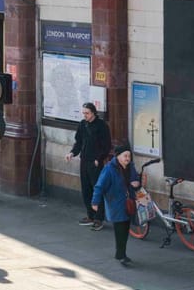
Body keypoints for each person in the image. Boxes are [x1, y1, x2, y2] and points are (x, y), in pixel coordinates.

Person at [91, 144, 141, 267]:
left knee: (125, 228)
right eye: (125, 156)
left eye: (129, 156)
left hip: (129, 203)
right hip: (115, 203)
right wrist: (95, 202)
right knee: (120, 230)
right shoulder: (109, 169)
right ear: (118, 156)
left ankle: (121, 253)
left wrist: (136, 184)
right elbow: (99, 186)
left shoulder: (131, 167)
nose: (128, 158)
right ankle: (121, 255)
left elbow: (135, 181)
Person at [66, 102, 113, 230]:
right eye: (83, 113)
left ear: (93, 113)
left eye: (87, 113)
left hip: (95, 162)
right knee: (86, 189)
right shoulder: (82, 125)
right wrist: (72, 153)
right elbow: (79, 142)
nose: (85, 115)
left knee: (97, 189)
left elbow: (107, 146)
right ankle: (90, 215)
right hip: (84, 160)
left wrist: (99, 158)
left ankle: (99, 218)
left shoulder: (101, 126)